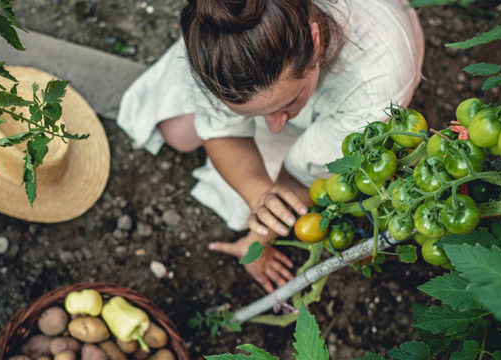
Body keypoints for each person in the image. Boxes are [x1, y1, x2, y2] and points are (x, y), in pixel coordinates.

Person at [117, 0, 424, 293]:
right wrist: (258, 193)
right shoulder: (222, 59)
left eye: (290, 102)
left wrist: (256, 241)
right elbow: (226, 136)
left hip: (363, 81)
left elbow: (299, 179)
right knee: (178, 134)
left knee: (253, 195)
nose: (275, 126)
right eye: (257, 114)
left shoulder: (375, 82)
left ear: (315, 41)